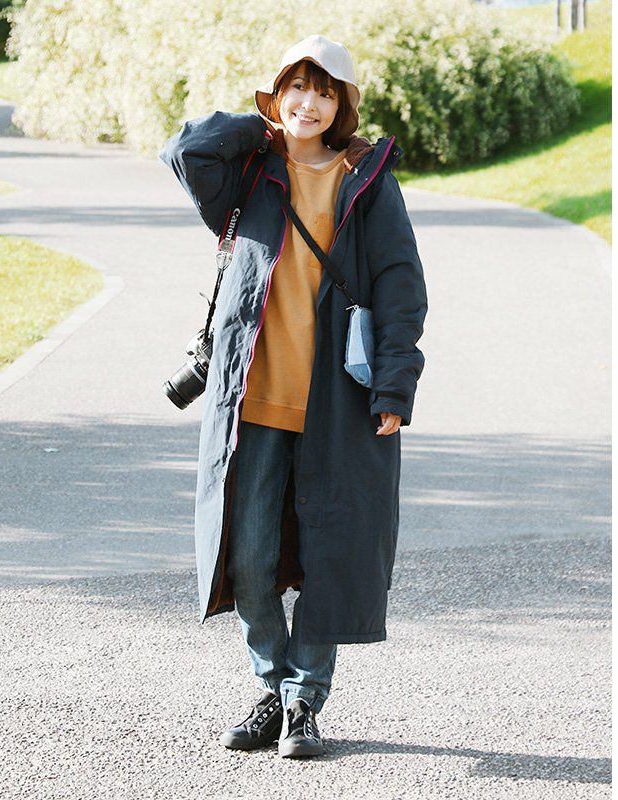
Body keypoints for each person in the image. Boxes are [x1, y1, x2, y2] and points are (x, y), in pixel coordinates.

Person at [159, 34, 427, 759]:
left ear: (343, 107)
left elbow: (401, 287)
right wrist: (260, 127)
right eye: (297, 88)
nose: (310, 103)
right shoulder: (249, 172)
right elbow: (185, 150)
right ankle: (272, 687)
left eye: (325, 92)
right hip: (251, 401)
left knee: (329, 560)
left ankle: (303, 701)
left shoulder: (366, 181)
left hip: (337, 404)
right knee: (247, 560)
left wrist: (395, 385)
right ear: (277, 95)